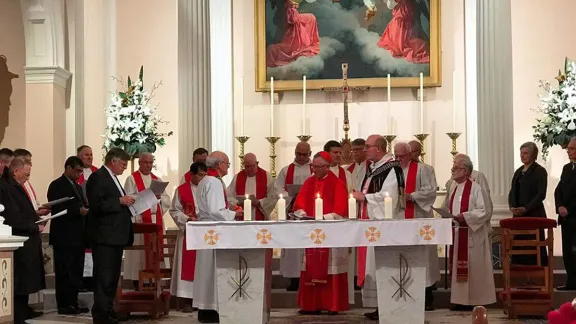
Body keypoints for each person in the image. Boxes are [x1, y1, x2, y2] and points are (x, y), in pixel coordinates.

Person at [351, 134, 404, 320]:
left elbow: (389, 196)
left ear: (379, 148)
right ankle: (379, 305)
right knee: (373, 265)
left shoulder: (391, 168)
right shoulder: (375, 168)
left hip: (383, 225)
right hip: (372, 223)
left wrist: (364, 198)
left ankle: (386, 305)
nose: (365, 149)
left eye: (368, 146)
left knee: (381, 264)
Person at [292, 151, 349, 315]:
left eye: (317, 167)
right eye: (313, 166)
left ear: (327, 167)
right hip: (311, 232)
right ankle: (310, 305)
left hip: (330, 233)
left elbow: (340, 210)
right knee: (310, 267)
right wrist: (303, 214)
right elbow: (299, 205)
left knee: (331, 268)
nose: (313, 170)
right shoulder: (309, 182)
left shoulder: (337, 183)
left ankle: (332, 304)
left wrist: (322, 217)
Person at [85, 148, 135, 324]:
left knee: (112, 277)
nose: (124, 168)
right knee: (104, 276)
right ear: (113, 161)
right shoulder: (98, 177)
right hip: (104, 235)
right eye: (122, 164)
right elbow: (96, 205)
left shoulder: (112, 178)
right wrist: (120, 201)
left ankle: (108, 309)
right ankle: (100, 315)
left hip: (114, 235)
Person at [193, 151, 243, 323]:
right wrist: (234, 215)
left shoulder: (205, 180)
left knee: (207, 270)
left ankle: (206, 308)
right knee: (212, 270)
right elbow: (216, 211)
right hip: (213, 231)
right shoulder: (213, 182)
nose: (227, 167)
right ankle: (212, 308)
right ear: (219, 164)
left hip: (207, 231)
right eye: (227, 164)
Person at [442, 154, 495, 311]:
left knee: (474, 269)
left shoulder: (476, 188)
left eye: (456, 167)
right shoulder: (454, 187)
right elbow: (448, 206)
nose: (452, 170)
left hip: (472, 235)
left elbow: (484, 210)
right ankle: (459, 300)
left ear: (465, 171)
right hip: (458, 233)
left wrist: (464, 216)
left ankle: (474, 301)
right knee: (459, 267)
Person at [394, 142, 439, 311]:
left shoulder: (423, 169)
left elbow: (430, 190)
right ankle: (403, 294)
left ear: (410, 154)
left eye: (402, 156)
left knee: (423, 257)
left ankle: (427, 297)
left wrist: (411, 196)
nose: (399, 159)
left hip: (419, 217)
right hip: (400, 219)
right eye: (396, 156)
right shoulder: (393, 170)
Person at [2, 157, 45, 324]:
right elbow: (12, 216)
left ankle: (21, 318)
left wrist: (36, 218)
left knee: (24, 286)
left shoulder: (15, 186)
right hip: (19, 244)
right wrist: (34, 226)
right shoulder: (6, 188)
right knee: (19, 286)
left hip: (27, 241)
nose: (28, 178)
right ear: (15, 171)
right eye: (26, 174)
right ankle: (17, 319)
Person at [47, 156, 90, 315]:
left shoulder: (77, 187)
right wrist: (76, 211)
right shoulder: (56, 185)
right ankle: (64, 304)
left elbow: (83, 204)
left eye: (81, 171)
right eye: (77, 171)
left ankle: (73, 301)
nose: (79, 174)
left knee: (75, 272)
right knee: (64, 272)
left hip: (78, 236)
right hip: (64, 236)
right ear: (68, 168)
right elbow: (56, 208)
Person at [123, 153, 171, 289]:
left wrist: (160, 197)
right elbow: (127, 198)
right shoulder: (132, 179)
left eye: (151, 163)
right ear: (140, 163)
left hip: (155, 219)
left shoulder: (157, 179)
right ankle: (137, 281)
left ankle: (155, 281)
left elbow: (167, 200)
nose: (149, 165)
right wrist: (145, 196)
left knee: (155, 250)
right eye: (146, 163)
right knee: (139, 255)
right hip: (140, 219)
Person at [169, 162, 207, 312]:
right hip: (188, 232)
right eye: (200, 175)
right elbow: (174, 210)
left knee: (203, 265)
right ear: (192, 175)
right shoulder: (182, 190)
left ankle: (204, 300)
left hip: (205, 233)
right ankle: (187, 299)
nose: (203, 178)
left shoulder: (209, 188)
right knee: (187, 265)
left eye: (205, 175)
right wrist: (186, 219)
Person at [274, 141, 312, 291]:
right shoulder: (286, 170)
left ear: (309, 154)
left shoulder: (314, 169)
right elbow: (278, 189)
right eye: (298, 154)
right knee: (292, 248)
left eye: (304, 154)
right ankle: (293, 280)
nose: (301, 157)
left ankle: (308, 278)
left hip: (309, 214)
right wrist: (289, 196)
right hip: (292, 213)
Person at [508, 141, 548, 266]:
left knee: (533, 247)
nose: (522, 156)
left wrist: (526, 208)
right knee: (520, 248)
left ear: (533, 155)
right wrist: (513, 207)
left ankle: (534, 277)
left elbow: (541, 194)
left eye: (525, 153)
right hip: (519, 216)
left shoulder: (539, 171)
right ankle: (522, 276)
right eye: (521, 153)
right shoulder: (519, 171)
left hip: (533, 215)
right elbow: (512, 191)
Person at [554, 137, 576, 291]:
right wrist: (560, 206)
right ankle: (571, 282)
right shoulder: (567, 168)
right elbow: (559, 190)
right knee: (567, 251)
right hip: (566, 218)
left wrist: (570, 209)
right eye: (569, 148)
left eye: (572, 149)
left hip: (575, 215)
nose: (568, 151)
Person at [227, 153, 276, 220]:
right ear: (243, 164)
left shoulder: (267, 176)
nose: (250, 169)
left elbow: (273, 197)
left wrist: (260, 202)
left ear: (257, 163)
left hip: (260, 216)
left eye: (252, 166)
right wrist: (238, 202)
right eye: (247, 166)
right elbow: (228, 196)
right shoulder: (237, 177)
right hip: (242, 216)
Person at [76, 145, 98, 291]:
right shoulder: (75, 173)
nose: (89, 157)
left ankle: (93, 279)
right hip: (81, 218)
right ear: (79, 157)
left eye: (91, 154)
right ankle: (83, 280)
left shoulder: (97, 172)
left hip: (95, 216)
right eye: (86, 155)